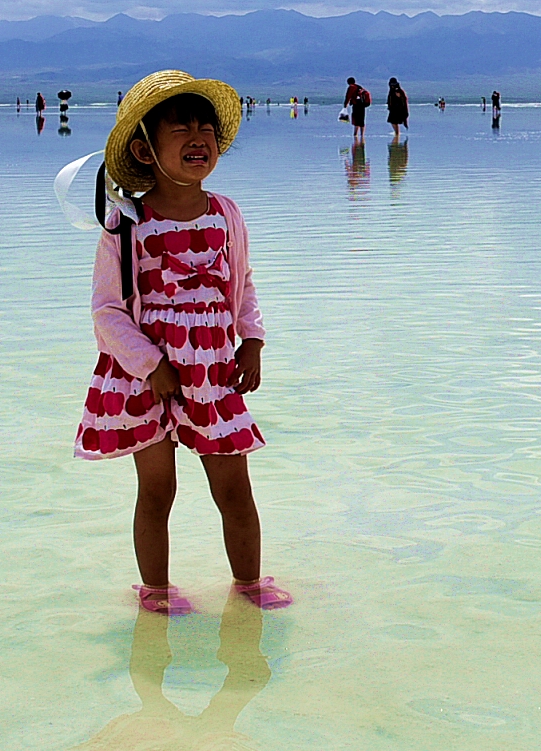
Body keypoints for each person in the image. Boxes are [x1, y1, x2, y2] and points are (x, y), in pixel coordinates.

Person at [74, 70, 290, 614]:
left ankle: (247, 585)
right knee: (157, 491)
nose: (198, 138)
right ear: (144, 149)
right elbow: (106, 311)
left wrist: (252, 341)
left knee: (234, 487)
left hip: (213, 371)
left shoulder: (225, 216)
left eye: (207, 130)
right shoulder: (126, 224)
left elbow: (242, 283)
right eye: (181, 129)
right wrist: (151, 365)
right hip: (147, 377)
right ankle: (157, 592)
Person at [342, 77, 369, 142]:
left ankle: (355, 134)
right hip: (362, 105)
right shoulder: (359, 87)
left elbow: (348, 96)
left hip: (356, 105)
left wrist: (345, 105)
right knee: (362, 119)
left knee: (356, 119)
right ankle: (362, 135)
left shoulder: (351, 87)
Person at [385, 77, 409, 142]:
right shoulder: (392, 91)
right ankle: (397, 133)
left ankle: (397, 134)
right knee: (393, 122)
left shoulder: (398, 91)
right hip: (393, 109)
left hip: (397, 110)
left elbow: (402, 101)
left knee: (394, 121)